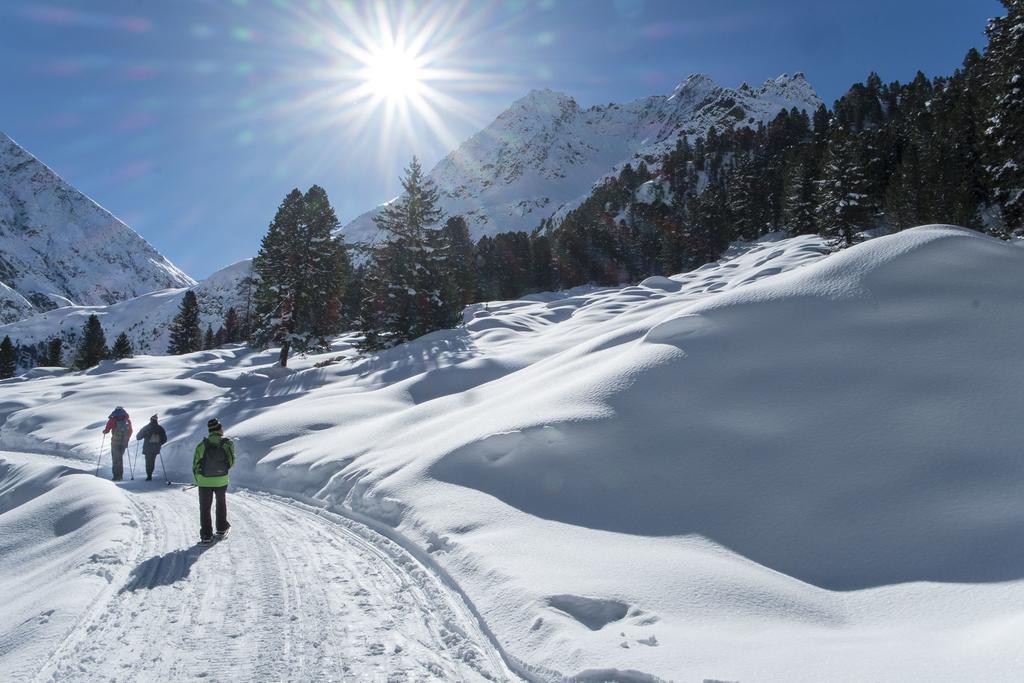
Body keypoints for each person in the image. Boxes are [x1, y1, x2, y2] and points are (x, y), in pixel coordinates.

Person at [192, 418, 235, 544]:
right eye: (221, 427)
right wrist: (222, 471)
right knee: (221, 503)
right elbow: (231, 461)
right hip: (221, 480)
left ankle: (206, 535)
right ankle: (221, 529)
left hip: (204, 481)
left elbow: (195, 465)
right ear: (218, 429)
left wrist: (199, 479)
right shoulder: (228, 443)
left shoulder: (202, 445)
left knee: (205, 508)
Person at [102, 407, 133, 481]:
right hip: (124, 443)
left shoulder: (112, 420)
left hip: (115, 442)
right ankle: (120, 476)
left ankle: (116, 477)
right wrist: (127, 439)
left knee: (115, 459)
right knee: (120, 459)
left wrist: (104, 432)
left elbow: (107, 430)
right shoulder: (127, 420)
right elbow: (130, 431)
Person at [135, 414, 168, 481]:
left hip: (147, 448)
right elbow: (164, 439)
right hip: (156, 448)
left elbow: (138, 437)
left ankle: (149, 475)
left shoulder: (146, 427)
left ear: (151, 420)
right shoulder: (160, 428)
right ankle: (150, 473)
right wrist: (159, 444)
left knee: (148, 461)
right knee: (152, 461)